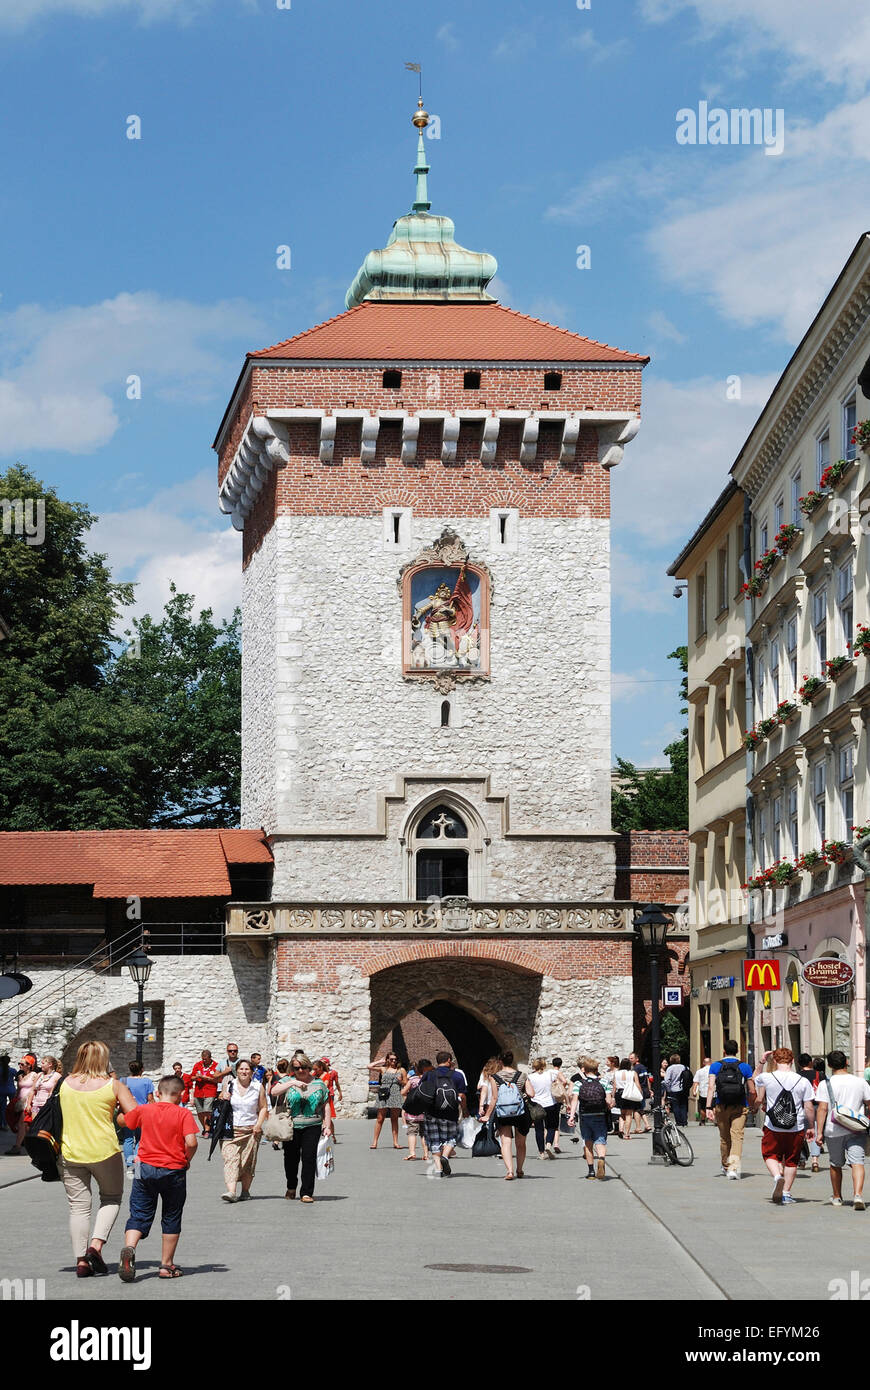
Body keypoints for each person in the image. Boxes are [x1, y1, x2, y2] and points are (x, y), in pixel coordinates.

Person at [58, 1041, 138, 1277]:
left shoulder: (65, 1084)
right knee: (111, 1198)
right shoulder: (113, 1086)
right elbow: (134, 1118)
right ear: (104, 1059)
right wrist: (118, 1119)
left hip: (70, 1151)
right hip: (104, 1151)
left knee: (78, 1207)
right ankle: (96, 1245)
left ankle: (81, 1260)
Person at [119, 1074, 199, 1280]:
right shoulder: (183, 1114)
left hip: (142, 1166)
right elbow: (191, 1142)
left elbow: (124, 1122)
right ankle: (166, 1265)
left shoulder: (144, 1109)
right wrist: (186, 1160)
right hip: (173, 1169)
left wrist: (120, 1112)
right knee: (171, 1215)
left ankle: (129, 1247)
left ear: (157, 1093)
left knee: (138, 1211)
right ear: (181, 1094)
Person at [753, 1047, 816, 1205]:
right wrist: (811, 1127)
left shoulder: (768, 1077)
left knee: (769, 1155)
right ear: (792, 1061)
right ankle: (786, 1193)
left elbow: (755, 1078)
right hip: (795, 1126)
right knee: (791, 1160)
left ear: (774, 1061)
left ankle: (777, 1176)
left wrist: (762, 1061)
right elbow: (808, 1107)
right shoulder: (803, 1081)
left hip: (772, 1126)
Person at [271, 1054, 331, 1203]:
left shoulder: (319, 1084)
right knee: (291, 1159)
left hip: (313, 1125)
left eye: (303, 1067)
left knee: (309, 1158)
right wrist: (293, 1083)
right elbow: (273, 1091)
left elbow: (326, 1105)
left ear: (309, 1067)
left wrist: (327, 1125)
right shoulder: (287, 1080)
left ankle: (306, 1192)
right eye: (297, 1068)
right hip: (291, 1125)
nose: (301, 1071)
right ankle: (291, 1186)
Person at [815, 1049, 870, 1210]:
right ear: (846, 1062)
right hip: (856, 1128)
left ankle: (837, 1196)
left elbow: (822, 1109)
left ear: (830, 1065)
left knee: (835, 1164)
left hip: (834, 1130)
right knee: (858, 1162)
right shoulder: (860, 1082)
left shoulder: (826, 1084)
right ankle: (858, 1195)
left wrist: (819, 1133)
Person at [219, 1059, 268, 1203]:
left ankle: (245, 1191)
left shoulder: (258, 1087)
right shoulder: (230, 1085)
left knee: (247, 1163)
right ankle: (231, 1191)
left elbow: (263, 1107)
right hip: (230, 1130)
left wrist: (259, 1124)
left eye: (247, 1069)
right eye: (241, 1069)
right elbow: (221, 1100)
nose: (244, 1072)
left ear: (252, 1072)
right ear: (236, 1071)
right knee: (230, 1159)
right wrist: (223, 1096)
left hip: (251, 1130)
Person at [706, 1039, 756, 1179]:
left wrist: (708, 1107)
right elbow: (752, 1090)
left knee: (724, 1138)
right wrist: (752, 1104)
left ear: (724, 1051)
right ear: (737, 1051)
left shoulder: (715, 1066)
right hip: (740, 1106)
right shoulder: (745, 1067)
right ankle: (733, 1168)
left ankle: (725, 1165)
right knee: (737, 1137)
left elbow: (711, 1087)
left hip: (721, 1106)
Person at [481, 1050, 531, 1180]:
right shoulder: (522, 1075)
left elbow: (494, 1098)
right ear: (512, 1061)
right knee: (521, 1143)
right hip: (520, 1112)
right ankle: (520, 1169)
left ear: (500, 1062)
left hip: (503, 1112)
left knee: (506, 1142)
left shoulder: (495, 1077)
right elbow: (531, 1093)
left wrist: (487, 1115)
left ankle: (510, 1171)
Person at [421, 1051, 467, 1177]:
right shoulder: (457, 1075)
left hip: (432, 1113)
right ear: (448, 1060)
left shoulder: (429, 1075)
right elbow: (462, 1095)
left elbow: (422, 1092)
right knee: (451, 1137)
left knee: (434, 1140)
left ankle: (438, 1169)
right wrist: (465, 1110)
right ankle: (445, 1157)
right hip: (451, 1113)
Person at [567, 1057, 609, 1179]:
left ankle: (591, 1172)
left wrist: (571, 1116)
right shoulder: (604, 1082)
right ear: (596, 1069)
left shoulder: (579, 1083)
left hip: (585, 1115)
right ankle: (601, 1158)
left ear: (584, 1070)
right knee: (600, 1140)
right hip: (600, 1115)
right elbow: (609, 1101)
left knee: (588, 1142)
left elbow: (574, 1100)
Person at [118, 1060, 155, 1178]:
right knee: (140, 1139)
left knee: (128, 1139)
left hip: (127, 1113)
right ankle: (137, 1163)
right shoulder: (147, 1082)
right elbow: (150, 1099)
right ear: (142, 1069)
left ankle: (129, 1165)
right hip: (142, 1113)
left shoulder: (123, 1081)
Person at [369, 1050, 407, 1150]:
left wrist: (401, 1081)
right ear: (388, 1060)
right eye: (391, 1059)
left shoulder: (401, 1070)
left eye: (395, 1059)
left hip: (395, 1094)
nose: (393, 1061)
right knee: (380, 1118)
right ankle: (374, 1142)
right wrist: (379, 1061)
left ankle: (395, 1142)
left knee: (394, 1119)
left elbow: (405, 1083)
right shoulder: (383, 1069)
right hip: (384, 1094)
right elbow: (369, 1066)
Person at [527, 1056, 562, 1159]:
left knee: (539, 1129)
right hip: (550, 1103)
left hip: (536, 1104)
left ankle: (541, 1153)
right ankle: (548, 1144)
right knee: (551, 1126)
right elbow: (563, 1080)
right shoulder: (550, 1074)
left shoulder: (530, 1077)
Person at [400, 1059, 432, 1162]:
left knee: (412, 1132)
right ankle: (426, 1154)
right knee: (424, 1133)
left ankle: (412, 1153)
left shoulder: (413, 1079)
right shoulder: (430, 1080)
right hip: (425, 1111)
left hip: (413, 1111)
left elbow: (403, 1092)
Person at [9, 1057, 39, 1155]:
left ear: (29, 1065)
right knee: (25, 1126)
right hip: (20, 1102)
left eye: (22, 1064)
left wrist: (29, 1102)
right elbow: (18, 1090)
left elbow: (34, 1089)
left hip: (28, 1102)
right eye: (19, 1064)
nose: (20, 1066)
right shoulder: (20, 1075)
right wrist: (14, 1100)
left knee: (22, 1124)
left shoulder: (34, 1075)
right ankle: (31, 1145)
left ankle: (17, 1146)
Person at [190, 1049, 219, 1136]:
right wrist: (196, 1077)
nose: (204, 1060)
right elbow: (191, 1077)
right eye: (203, 1059)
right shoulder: (198, 1065)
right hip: (198, 1091)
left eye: (205, 1059)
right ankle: (205, 1127)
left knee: (207, 1110)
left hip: (210, 1091)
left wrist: (205, 1077)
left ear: (210, 1058)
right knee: (200, 1112)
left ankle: (207, 1129)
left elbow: (217, 1079)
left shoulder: (216, 1066)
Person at [613, 1057, 643, 1139]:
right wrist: (640, 1093)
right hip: (629, 1094)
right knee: (629, 1114)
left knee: (622, 1113)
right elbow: (637, 1084)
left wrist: (612, 1096)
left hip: (619, 1094)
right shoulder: (633, 1073)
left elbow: (614, 1086)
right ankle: (627, 1134)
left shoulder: (616, 1073)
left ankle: (621, 1129)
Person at [663, 1053, 692, 1128]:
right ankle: (684, 1121)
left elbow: (666, 1081)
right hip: (684, 1089)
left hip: (674, 1089)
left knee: (676, 1106)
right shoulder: (685, 1067)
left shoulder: (670, 1068)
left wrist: (669, 1089)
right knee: (683, 1105)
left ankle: (678, 1121)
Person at [629, 1052, 653, 1134]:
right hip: (644, 1089)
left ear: (637, 1059)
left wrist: (639, 1091)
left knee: (636, 1109)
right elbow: (647, 1079)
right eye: (630, 1058)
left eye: (632, 1058)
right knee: (639, 1108)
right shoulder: (643, 1067)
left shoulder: (635, 1068)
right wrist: (649, 1089)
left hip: (639, 1090)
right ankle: (645, 1126)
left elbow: (636, 1081)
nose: (630, 1060)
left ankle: (640, 1127)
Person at [320, 1057, 342, 1123]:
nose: (324, 1064)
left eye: (325, 1062)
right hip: (321, 1094)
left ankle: (330, 1129)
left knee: (328, 1113)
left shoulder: (333, 1072)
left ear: (328, 1064)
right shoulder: (319, 1072)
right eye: (322, 1062)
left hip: (330, 1094)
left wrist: (340, 1093)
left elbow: (337, 1083)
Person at [692, 1056, 712, 1125]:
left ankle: (703, 1121)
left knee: (703, 1107)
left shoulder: (699, 1071)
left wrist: (694, 1091)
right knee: (714, 1106)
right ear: (711, 1063)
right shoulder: (714, 1071)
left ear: (704, 1063)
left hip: (703, 1092)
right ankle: (715, 1121)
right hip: (713, 1092)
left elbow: (696, 1082)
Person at [0, 1054, 17, 1131]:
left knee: (2, 1108)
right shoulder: (12, 1070)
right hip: (11, 1090)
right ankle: (14, 1122)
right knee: (13, 1107)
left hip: (1, 1091)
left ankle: (4, 1124)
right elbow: (17, 1077)